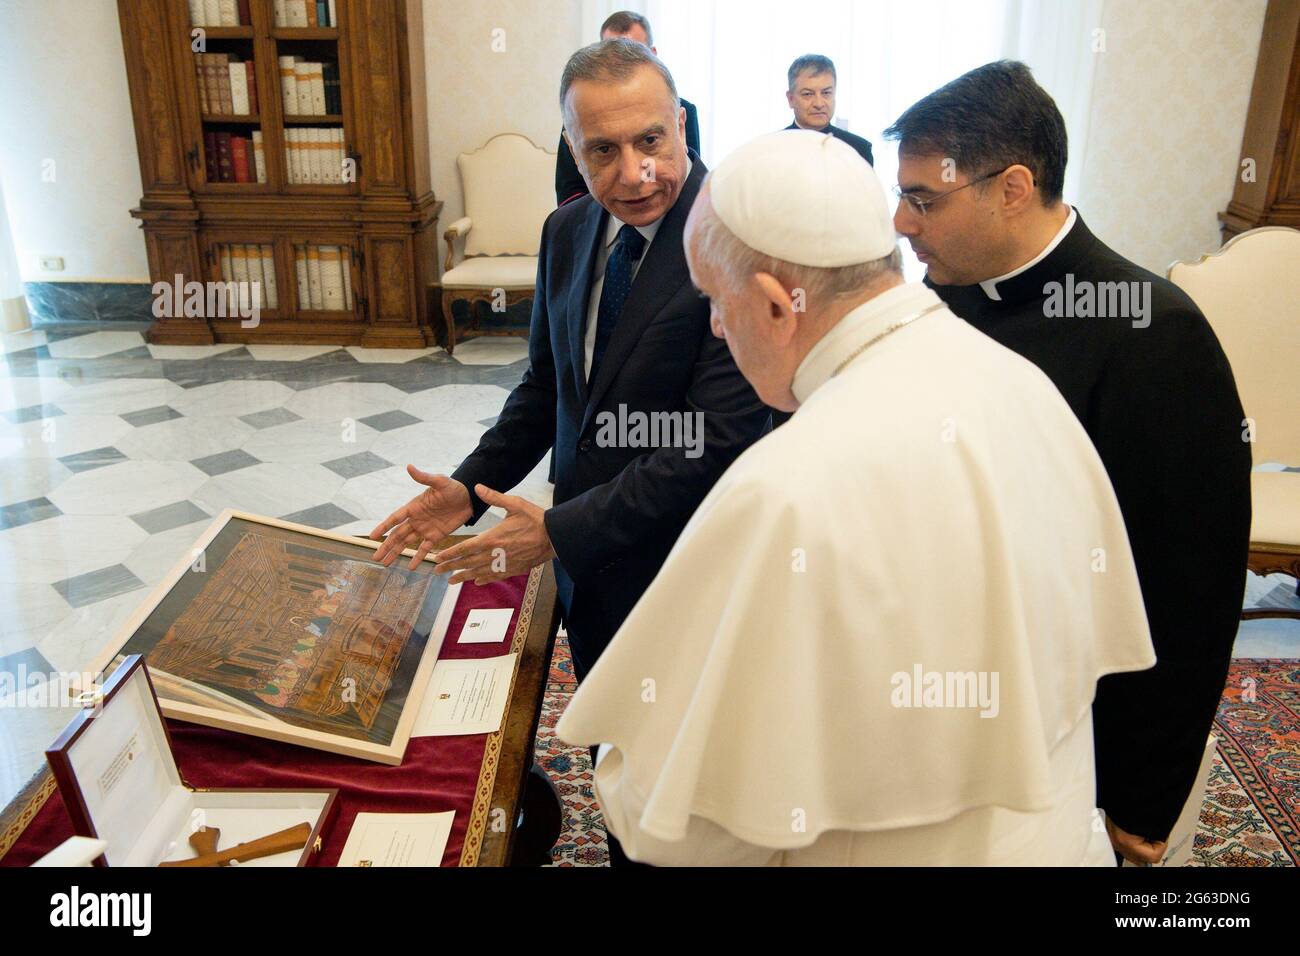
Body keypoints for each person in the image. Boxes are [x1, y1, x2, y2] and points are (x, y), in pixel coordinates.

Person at [557, 129, 1156, 866]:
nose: (715, 325)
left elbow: (686, 826)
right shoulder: (1021, 382)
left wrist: (625, 772)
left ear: (778, 306)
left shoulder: (785, 489)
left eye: (715, 300)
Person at [884, 60, 1252, 864]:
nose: (903, 225)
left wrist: (1142, 795)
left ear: (1012, 187)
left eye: (923, 199)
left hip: (1090, 738)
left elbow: (1188, 590)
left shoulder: (1154, 334)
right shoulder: (947, 297)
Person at [554, 11, 700, 206]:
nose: (632, 177)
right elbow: (568, 188)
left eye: (649, 140)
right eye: (604, 149)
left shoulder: (719, 224)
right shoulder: (560, 228)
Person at [784, 54, 873, 166]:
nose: (819, 104)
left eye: (826, 93)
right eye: (808, 94)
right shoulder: (772, 148)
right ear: (791, 99)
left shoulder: (858, 149)